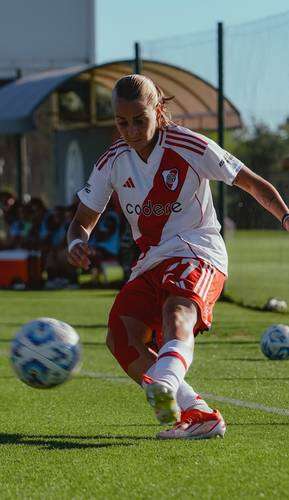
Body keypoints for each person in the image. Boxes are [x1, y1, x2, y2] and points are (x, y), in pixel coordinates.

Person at [67, 74, 289, 440]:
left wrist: (284, 216)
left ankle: (166, 382)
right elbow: (82, 222)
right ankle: (197, 412)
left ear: (159, 110)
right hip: (151, 259)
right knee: (121, 337)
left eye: (140, 119)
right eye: (123, 122)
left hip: (197, 250)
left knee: (177, 311)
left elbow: (252, 182)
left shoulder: (189, 145)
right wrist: (76, 243)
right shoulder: (112, 161)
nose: (133, 129)